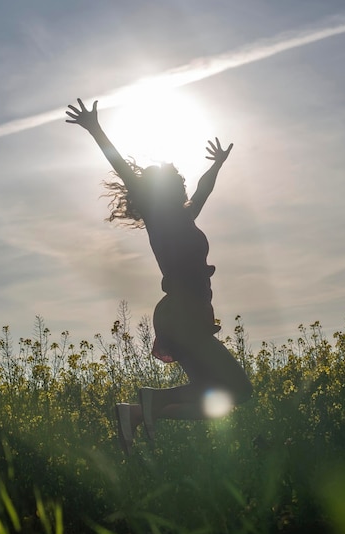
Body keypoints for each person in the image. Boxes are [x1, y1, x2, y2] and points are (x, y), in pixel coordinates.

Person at [66, 98, 253, 454]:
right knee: (238, 390)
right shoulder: (159, 217)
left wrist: (216, 165)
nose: (181, 185)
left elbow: (204, 190)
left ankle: (137, 412)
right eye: (173, 181)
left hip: (190, 311)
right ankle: (149, 403)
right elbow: (121, 167)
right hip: (181, 311)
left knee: (220, 394)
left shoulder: (184, 216)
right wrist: (95, 129)